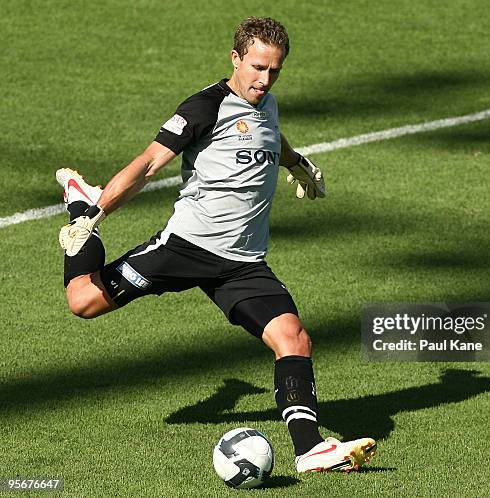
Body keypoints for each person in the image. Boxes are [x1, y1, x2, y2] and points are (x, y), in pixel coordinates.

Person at [56, 16, 376, 473]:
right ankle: (81, 204)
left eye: (275, 71)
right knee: (83, 300)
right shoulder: (205, 107)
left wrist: (297, 164)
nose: (264, 80)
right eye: (257, 68)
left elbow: (270, 136)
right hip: (187, 248)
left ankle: (309, 449)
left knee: (294, 338)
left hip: (243, 263)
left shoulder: (268, 104)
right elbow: (149, 164)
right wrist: (97, 214)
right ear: (236, 59)